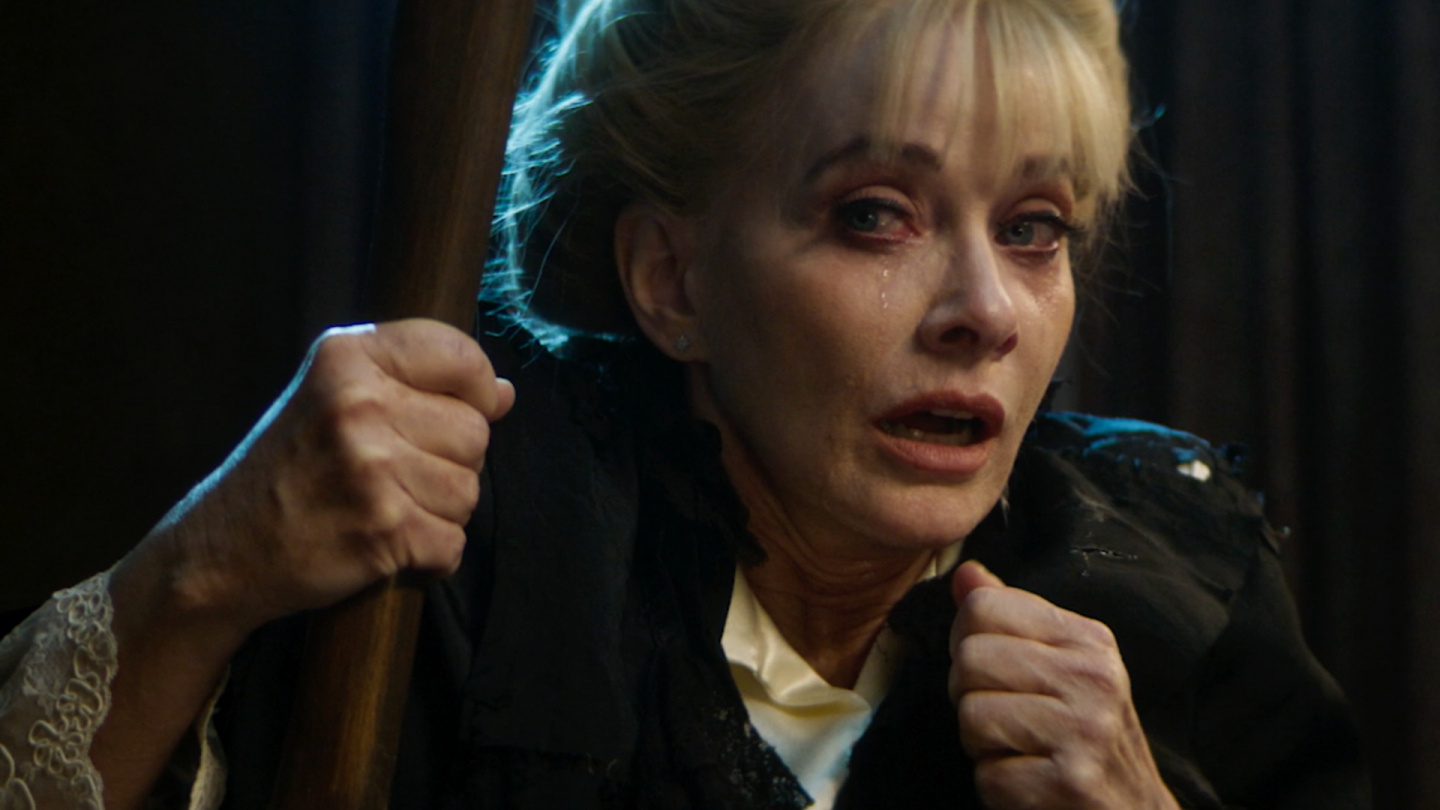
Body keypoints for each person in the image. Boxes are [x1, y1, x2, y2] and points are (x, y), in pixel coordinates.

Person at [0, 0, 1368, 807]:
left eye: (1033, 228)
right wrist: (201, 568)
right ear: (672, 279)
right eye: (875, 213)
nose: (986, 311)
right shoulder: (463, 559)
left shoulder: (1176, 602)